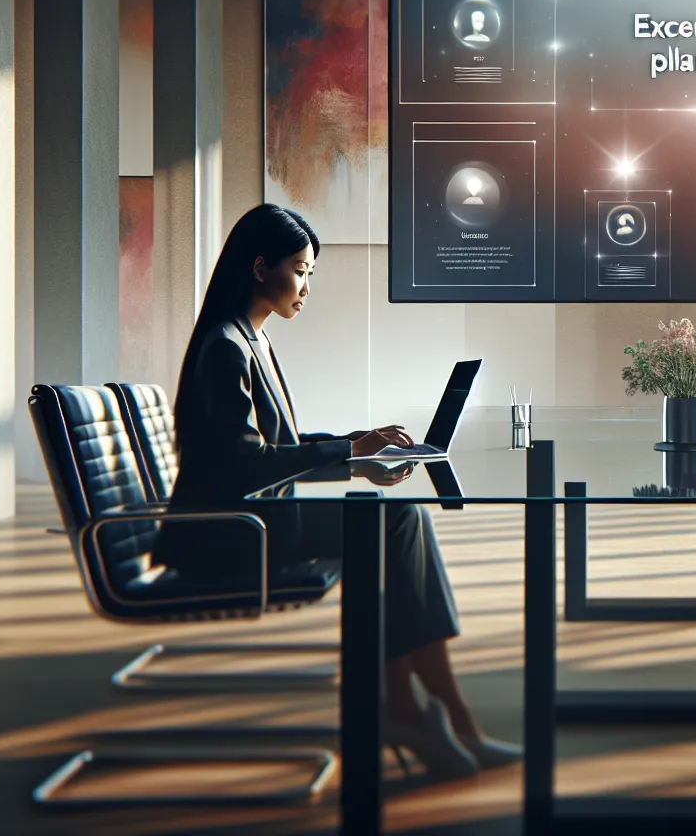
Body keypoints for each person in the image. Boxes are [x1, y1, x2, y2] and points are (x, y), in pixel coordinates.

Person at [156, 203, 520, 780]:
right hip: (226, 538)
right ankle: (437, 715)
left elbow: (279, 446)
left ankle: (417, 711)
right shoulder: (227, 346)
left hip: (251, 522)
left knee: (396, 523)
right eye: (300, 271)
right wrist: (350, 455)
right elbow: (247, 464)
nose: (306, 287)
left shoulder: (248, 338)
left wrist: (356, 445)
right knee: (395, 523)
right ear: (260, 268)